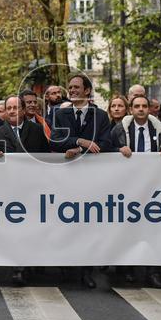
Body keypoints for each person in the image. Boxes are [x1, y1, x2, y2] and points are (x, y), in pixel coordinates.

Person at [49, 75, 112, 289]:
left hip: (92, 179)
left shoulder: (101, 116)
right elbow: (55, 140)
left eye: (76, 87)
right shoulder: (60, 114)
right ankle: (66, 266)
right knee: (66, 222)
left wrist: (78, 150)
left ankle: (87, 271)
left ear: (87, 91)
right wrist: (79, 141)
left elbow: (105, 143)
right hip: (65, 178)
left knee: (88, 224)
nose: (72, 90)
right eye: (69, 87)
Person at [109, 94, 161, 289]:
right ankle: (127, 269)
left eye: (144, 105)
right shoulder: (120, 130)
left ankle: (153, 273)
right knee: (129, 228)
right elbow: (107, 151)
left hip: (155, 188)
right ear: (131, 109)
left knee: (154, 229)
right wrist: (118, 149)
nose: (141, 109)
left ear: (149, 109)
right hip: (128, 187)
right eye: (137, 106)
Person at [0, 96, 49, 287]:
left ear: (24, 110)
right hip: (8, 190)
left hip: (31, 187)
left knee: (30, 228)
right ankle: (17, 268)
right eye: (9, 108)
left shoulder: (37, 131)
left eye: (16, 107)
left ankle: (28, 264)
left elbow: (45, 157)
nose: (12, 111)